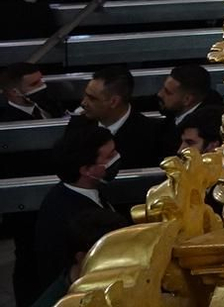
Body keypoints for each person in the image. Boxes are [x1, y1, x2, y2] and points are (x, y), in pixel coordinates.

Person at [33, 127, 125, 303]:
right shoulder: (69, 213)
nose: (117, 157)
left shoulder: (85, 190)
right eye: (110, 156)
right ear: (86, 170)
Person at [71, 64, 165, 168]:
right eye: (85, 95)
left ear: (114, 102)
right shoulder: (78, 125)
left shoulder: (152, 134)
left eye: (92, 98)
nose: (83, 103)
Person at [156, 63, 222, 143]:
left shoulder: (204, 131)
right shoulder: (173, 114)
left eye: (168, 92)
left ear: (187, 99)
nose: (160, 94)